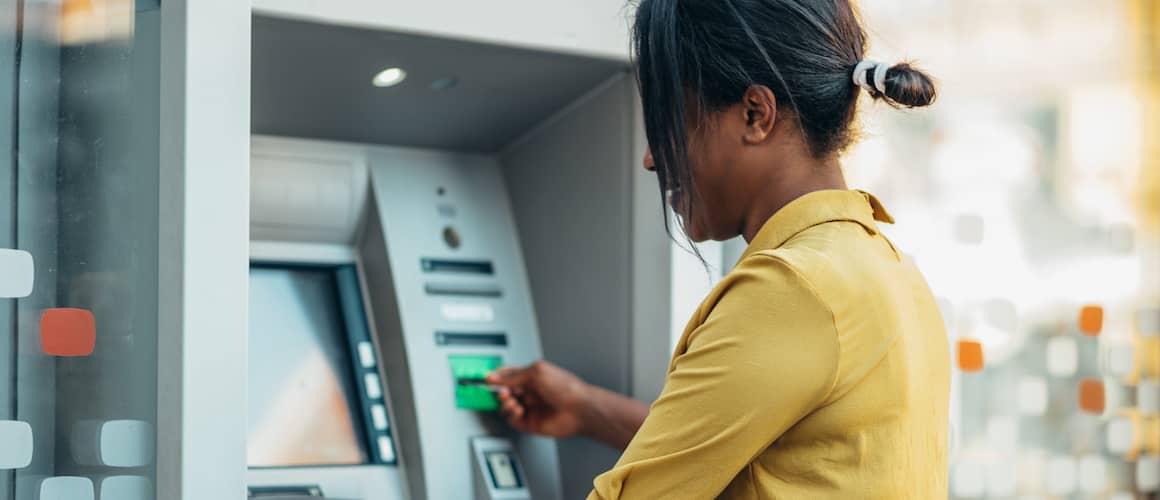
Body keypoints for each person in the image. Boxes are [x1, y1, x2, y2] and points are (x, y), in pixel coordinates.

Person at [485, 0, 950, 498]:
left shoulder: (793, 289)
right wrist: (587, 409)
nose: (649, 158)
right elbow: (767, 448)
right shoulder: (889, 269)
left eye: (670, 122)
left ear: (755, 115)